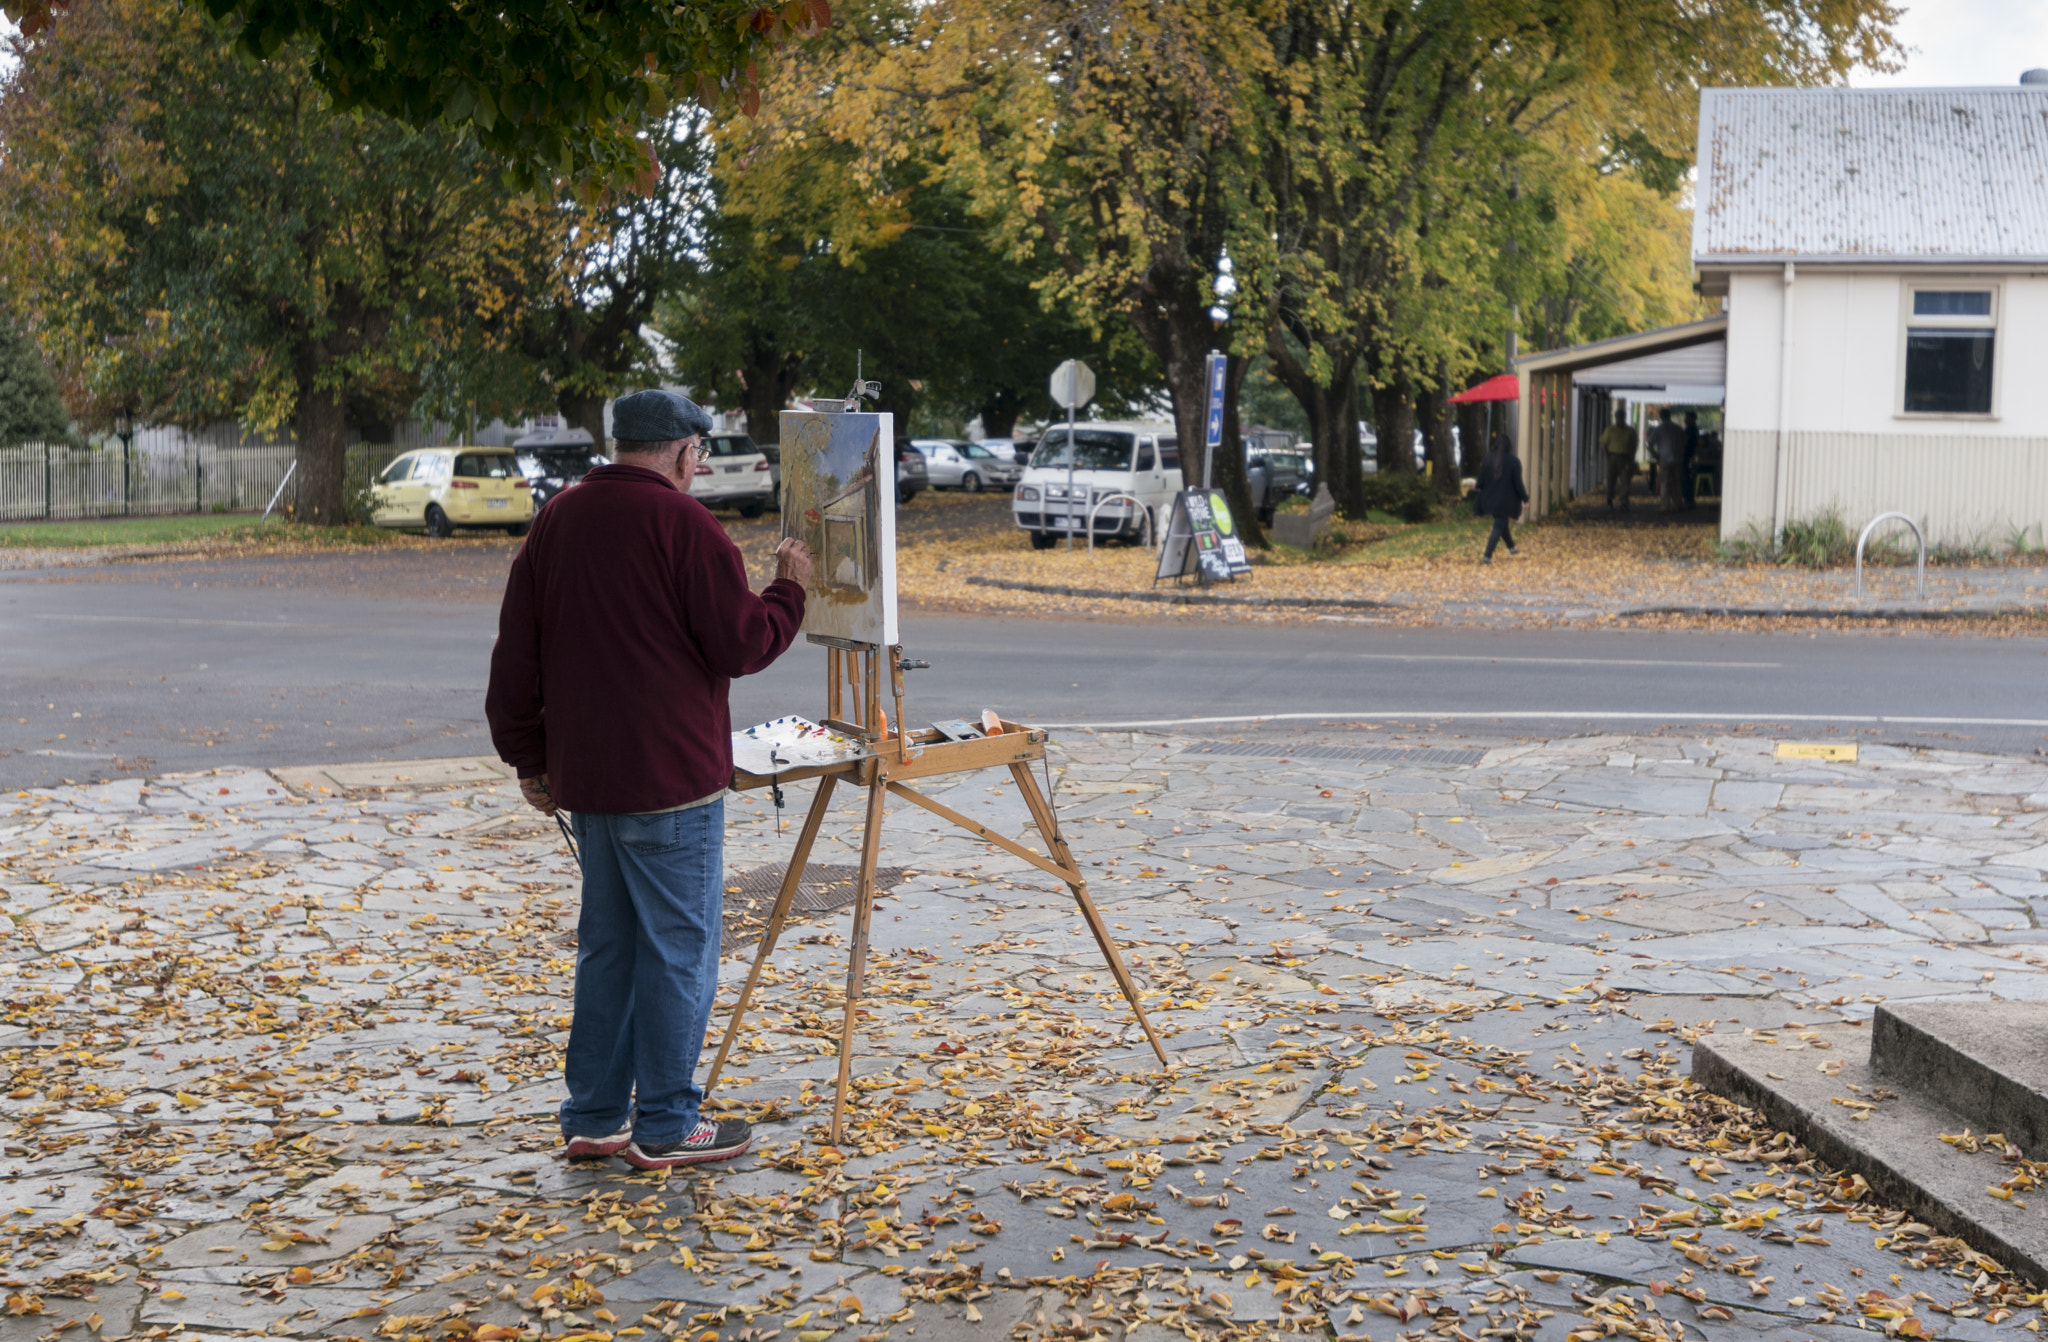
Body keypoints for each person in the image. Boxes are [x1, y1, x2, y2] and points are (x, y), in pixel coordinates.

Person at [485, 389, 814, 1171]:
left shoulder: (558, 520)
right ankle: (667, 1120)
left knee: (609, 950)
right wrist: (788, 591)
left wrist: (529, 758)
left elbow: (514, 658)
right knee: (676, 950)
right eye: (700, 454)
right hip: (670, 781)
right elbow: (740, 643)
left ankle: (595, 1117)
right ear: (679, 450)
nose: (701, 468)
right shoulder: (685, 526)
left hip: (589, 782)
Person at [1475, 432, 1528, 563]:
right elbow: (1518, 483)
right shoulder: (1514, 462)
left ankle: (1511, 547)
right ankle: (1487, 555)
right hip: (1506, 501)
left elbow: (1480, 483)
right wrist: (1525, 498)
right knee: (1498, 526)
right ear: (1510, 447)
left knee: (1501, 523)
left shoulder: (1487, 460)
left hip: (1489, 500)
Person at [1599, 407, 1635, 510]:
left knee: (1625, 480)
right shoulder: (1610, 430)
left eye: (1622, 417)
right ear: (1615, 418)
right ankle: (1609, 499)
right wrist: (1607, 457)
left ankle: (1624, 501)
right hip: (1613, 456)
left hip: (1625, 457)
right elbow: (1603, 444)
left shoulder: (1630, 431)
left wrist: (1631, 458)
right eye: (1618, 417)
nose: (1620, 419)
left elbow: (1633, 445)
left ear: (1624, 418)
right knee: (1611, 480)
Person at [1654, 407, 1686, 512]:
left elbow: (1649, 443)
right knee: (1677, 481)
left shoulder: (1659, 429)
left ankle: (1665, 505)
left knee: (1664, 482)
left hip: (1664, 457)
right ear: (1670, 415)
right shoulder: (1678, 428)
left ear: (1661, 416)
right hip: (1678, 457)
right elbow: (1685, 441)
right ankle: (1678, 504)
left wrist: (1655, 455)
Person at [1682, 411, 1700, 510]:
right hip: (1690, 456)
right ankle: (1689, 500)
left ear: (1692, 419)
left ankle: (1688, 500)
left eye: (1687, 417)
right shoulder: (1694, 428)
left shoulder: (1690, 429)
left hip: (1687, 456)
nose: (1685, 420)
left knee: (1686, 478)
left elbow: (1685, 441)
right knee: (1689, 478)